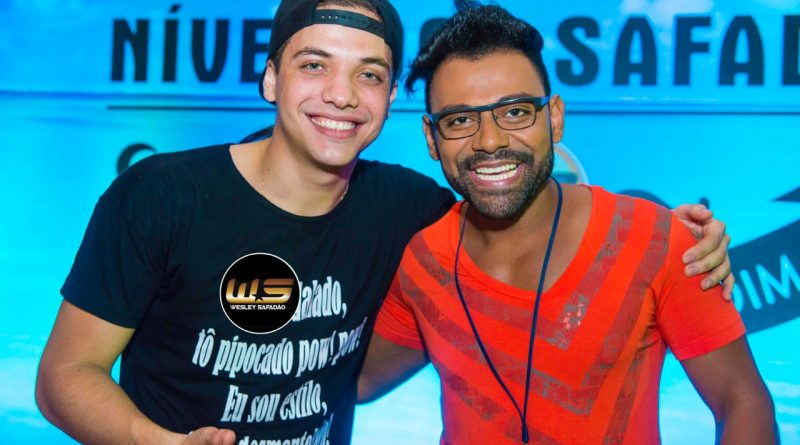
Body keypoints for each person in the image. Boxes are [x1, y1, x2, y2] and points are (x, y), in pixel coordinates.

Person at [35, 1, 732, 444]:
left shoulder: (404, 208)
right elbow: (65, 375)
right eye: (315, 65)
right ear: (271, 78)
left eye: (368, 74)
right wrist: (158, 443)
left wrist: (672, 236)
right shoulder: (161, 195)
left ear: (391, 96)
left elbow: (512, 190)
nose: (341, 94)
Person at [359, 4, 777, 445]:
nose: (490, 141)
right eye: (460, 120)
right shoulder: (423, 259)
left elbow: (741, 400)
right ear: (431, 138)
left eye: (515, 112)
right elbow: (356, 380)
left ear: (554, 118)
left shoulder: (657, 240)